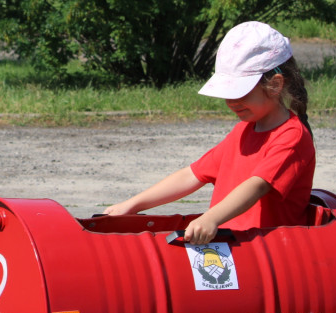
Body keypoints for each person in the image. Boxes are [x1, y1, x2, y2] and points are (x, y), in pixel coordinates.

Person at [105, 21, 315, 244]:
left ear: (275, 85)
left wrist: (211, 218)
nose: (231, 102)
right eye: (227, 93)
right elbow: (192, 175)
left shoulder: (292, 136)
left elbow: (257, 184)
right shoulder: (243, 130)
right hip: (233, 247)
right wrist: (133, 205)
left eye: (239, 93)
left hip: (267, 250)